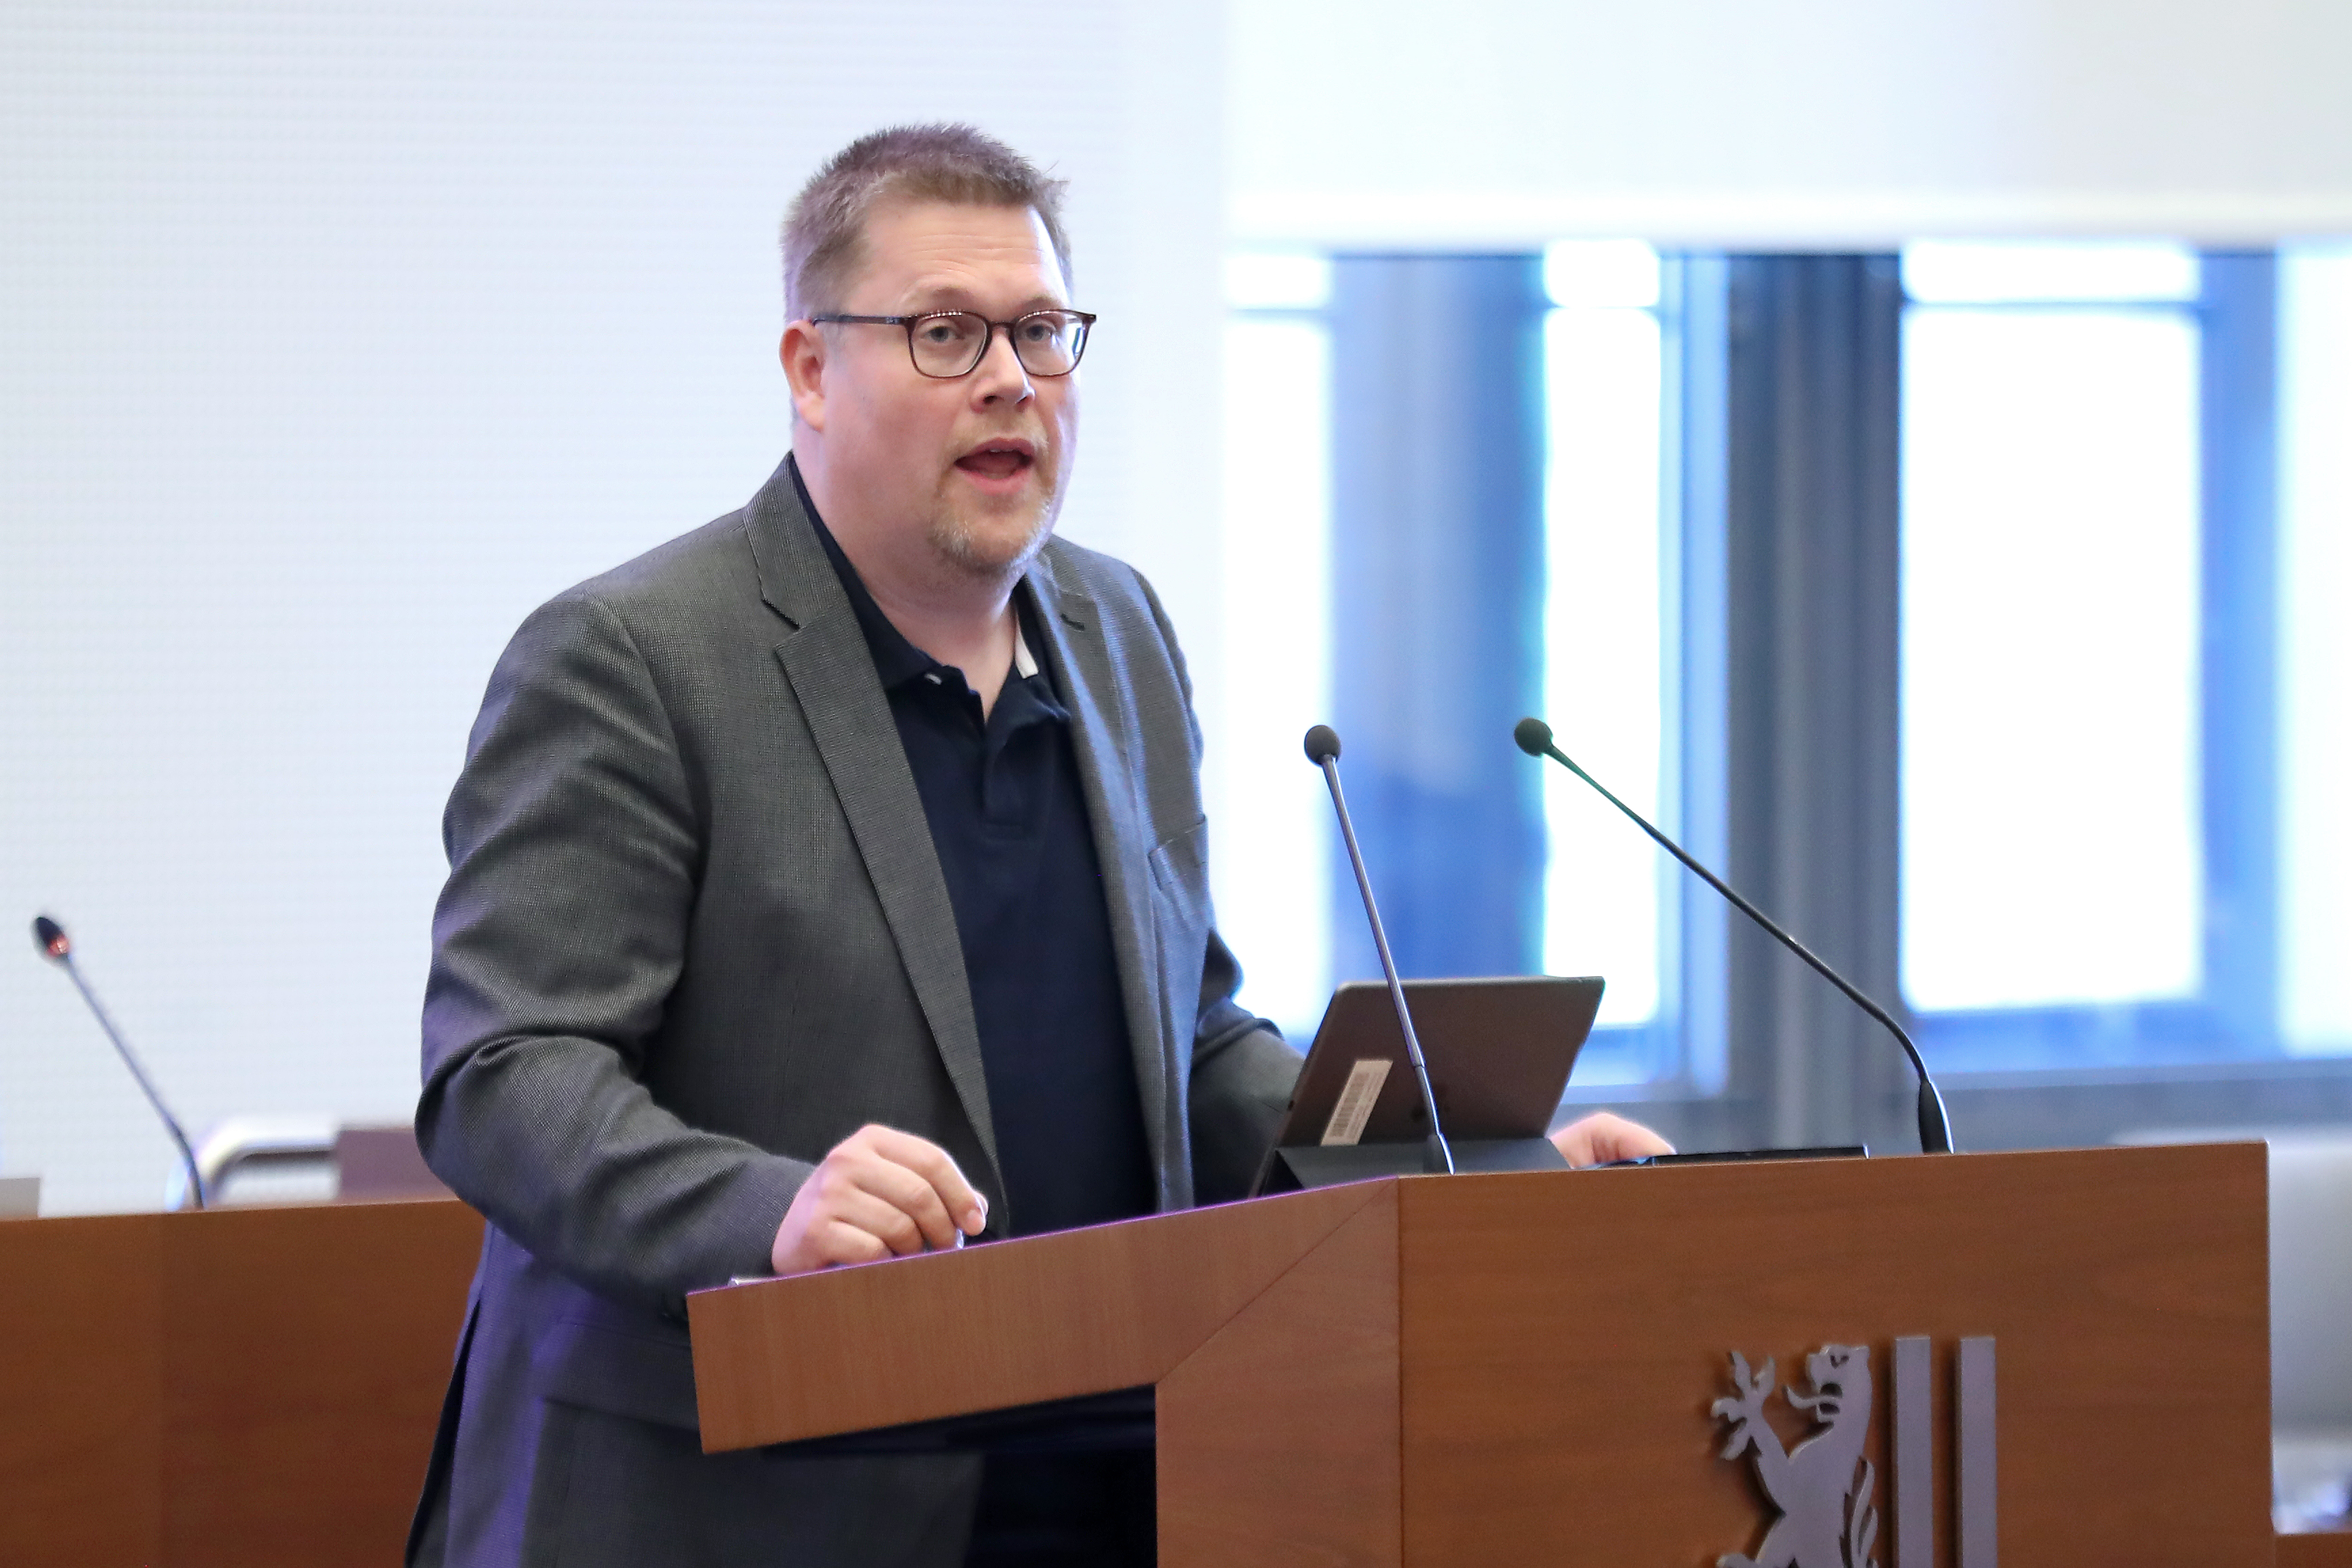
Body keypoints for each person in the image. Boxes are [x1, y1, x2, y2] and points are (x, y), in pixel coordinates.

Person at [406, 123, 1672, 1568]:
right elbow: (505, 1077)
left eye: (1042, 333)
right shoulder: (635, 660)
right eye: (945, 333)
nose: (1010, 378)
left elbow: (1187, 1045)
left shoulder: (1119, 630)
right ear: (810, 371)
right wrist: (777, 1211)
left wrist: (1480, 1170)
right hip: (749, 1503)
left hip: (1126, 1484)